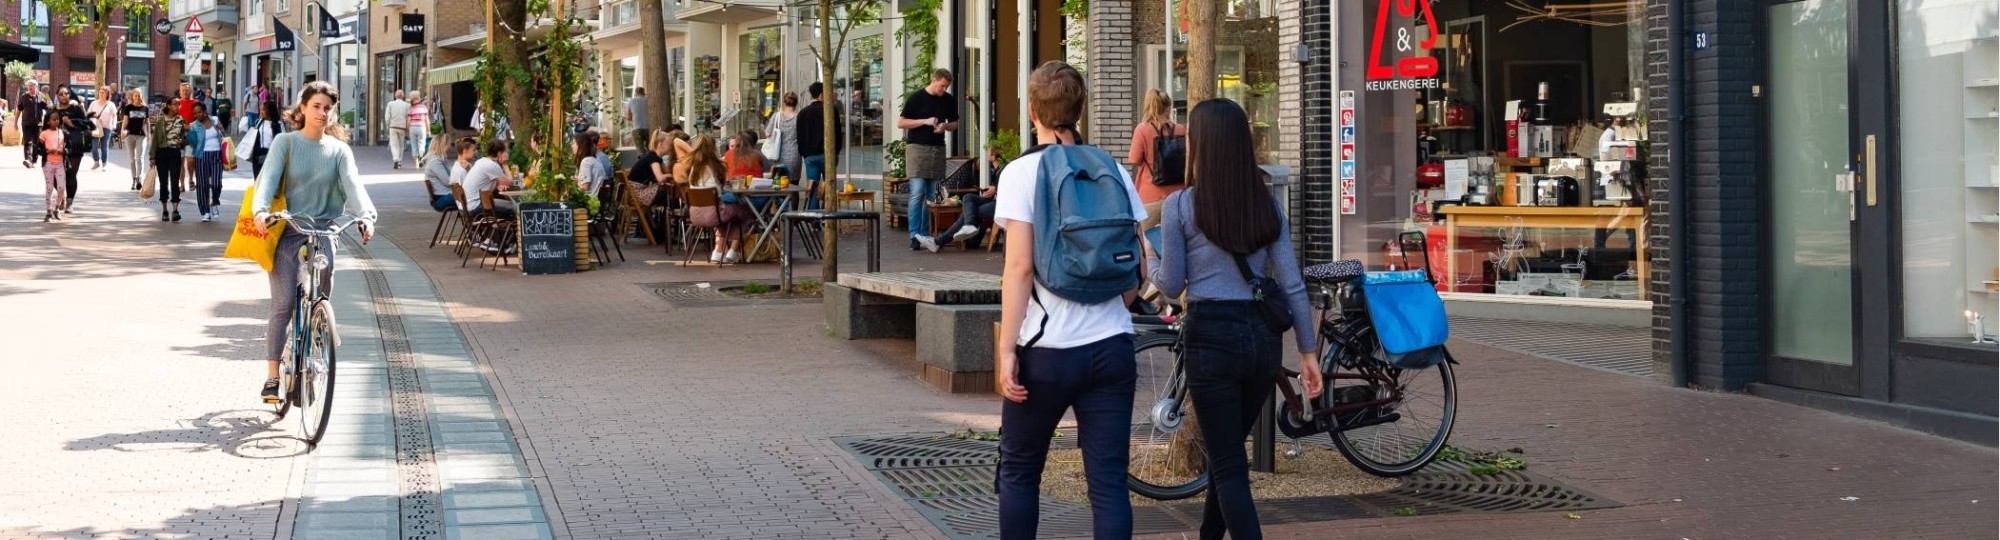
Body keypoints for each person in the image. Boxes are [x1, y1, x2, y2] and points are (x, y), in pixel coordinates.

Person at [1146, 99, 1322, 540]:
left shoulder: (1181, 206)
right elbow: (1293, 284)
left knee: (1226, 464)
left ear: (1201, 146)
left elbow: (1169, 284)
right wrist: (1308, 352)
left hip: (1212, 338)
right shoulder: (1267, 207)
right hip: (1262, 341)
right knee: (1227, 455)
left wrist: (1149, 258)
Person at [992, 61, 1145, 540]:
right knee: (1108, 484)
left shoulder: (1021, 173)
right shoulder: (1113, 170)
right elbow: (1138, 271)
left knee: (1019, 471)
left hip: (1048, 352)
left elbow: (1018, 268)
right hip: (1113, 346)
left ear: (1033, 111)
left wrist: (1006, 351)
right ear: (1081, 110)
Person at [250, 81, 377, 403]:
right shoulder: (286, 143)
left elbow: (353, 184)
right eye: (317, 106)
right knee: (283, 305)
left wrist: (366, 216)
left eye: (328, 108)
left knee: (324, 285)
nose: (322, 113)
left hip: (324, 231)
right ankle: (272, 377)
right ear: (303, 108)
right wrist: (261, 211)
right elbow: (267, 180)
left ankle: (319, 326)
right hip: (288, 230)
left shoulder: (338, 150)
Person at [897, 69, 960, 250]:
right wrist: (924, 121)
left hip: (937, 149)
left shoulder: (948, 100)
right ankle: (914, 235)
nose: (944, 89)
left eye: (947, 86)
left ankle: (926, 235)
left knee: (931, 195)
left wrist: (945, 126)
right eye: (942, 86)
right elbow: (901, 122)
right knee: (917, 192)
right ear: (933, 80)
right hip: (917, 148)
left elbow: (955, 124)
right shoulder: (917, 98)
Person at [684, 134, 752, 264]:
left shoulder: (691, 168)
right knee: (746, 212)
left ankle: (718, 251)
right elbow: (723, 186)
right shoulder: (717, 166)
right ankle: (732, 251)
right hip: (714, 214)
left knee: (726, 217)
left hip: (695, 215)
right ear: (713, 148)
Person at [1129, 89, 1185, 230]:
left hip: (1150, 195)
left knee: (1147, 245)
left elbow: (1134, 159)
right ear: (1168, 107)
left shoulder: (1142, 129)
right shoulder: (1180, 130)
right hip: (1178, 196)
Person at [794, 82, 843, 209]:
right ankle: (829, 213)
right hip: (828, 155)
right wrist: (836, 151)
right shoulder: (831, 110)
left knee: (813, 187)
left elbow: (799, 136)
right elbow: (837, 133)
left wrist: (805, 153)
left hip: (810, 156)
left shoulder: (803, 113)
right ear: (822, 94)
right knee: (830, 185)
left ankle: (813, 216)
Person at [185, 102, 226, 222]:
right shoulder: (193, 125)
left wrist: (221, 129)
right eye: (195, 113)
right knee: (202, 185)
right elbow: (191, 141)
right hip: (201, 156)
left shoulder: (214, 120)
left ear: (205, 111)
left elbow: (223, 134)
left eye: (199, 112)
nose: (198, 115)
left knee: (216, 183)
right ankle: (205, 212)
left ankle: (214, 202)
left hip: (217, 155)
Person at [150, 95, 188, 222]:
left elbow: (185, 137)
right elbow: (155, 139)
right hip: (162, 152)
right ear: (169, 106)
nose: (178, 106)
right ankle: (165, 209)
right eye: (175, 104)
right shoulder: (161, 121)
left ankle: (175, 210)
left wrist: (183, 141)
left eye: (179, 104)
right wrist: (152, 157)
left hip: (175, 152)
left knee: (175, 181)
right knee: (163, 182)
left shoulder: (181, 120)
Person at [52, 85, 86, 215]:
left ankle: (70, 203)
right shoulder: (53, 110)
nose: (64, 96)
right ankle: (62, 196)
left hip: (75, 144)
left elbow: (85, 124)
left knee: (71, 173)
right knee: (55, 176)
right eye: (61, 94)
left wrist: (70, 124)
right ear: (57, 96)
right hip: (56, 146)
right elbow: (46, 127)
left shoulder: (76, 108)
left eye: (66, 93)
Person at [629, 129, 672, 209]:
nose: (671, 146)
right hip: (637, 195)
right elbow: (660, 178)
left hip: (636, 192)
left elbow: (667, 171)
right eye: (669, 144)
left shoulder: (656, 158)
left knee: (669, 190)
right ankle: (667, 218)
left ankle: (663, 218)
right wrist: (671, 175)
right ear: (660, 144)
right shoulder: (653, 158)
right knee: (668, 191)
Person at [764, 92, 800, 180]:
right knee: (793, 186)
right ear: (796, 103)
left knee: (778, 184)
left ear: (784, 102)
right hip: (794, 155)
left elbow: (767, 133)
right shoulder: (799, 117)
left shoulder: (777, 116)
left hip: (777, 155)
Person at [37, 115, 65, 222]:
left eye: (57, 119)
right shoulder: (44, 134)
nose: (56, 121)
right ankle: (48, 211)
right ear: (48, 122)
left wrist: (63, 152)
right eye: (53, 120)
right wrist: (48, 151)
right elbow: (38, 149)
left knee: (61, 187)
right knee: (49, 188)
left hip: (60, 163)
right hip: (48, 163)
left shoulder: (62, 132)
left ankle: (56, 208)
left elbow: (68, 147)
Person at [121, 89, 150, 190]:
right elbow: (125, 121)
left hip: (141, 136)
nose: (137, 97)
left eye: (139, 96)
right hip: (130, 135)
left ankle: (139, 179)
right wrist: (122, 131)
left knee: (140, 158)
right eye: (135, 96)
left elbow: (147, 123)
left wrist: (149, 135)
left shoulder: (145, 108)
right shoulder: (128, 107)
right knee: (132, 160)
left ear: (141, 96)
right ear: (132, 97)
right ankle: (133, 180)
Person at [248, 99, 285, 177]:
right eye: (260, 110)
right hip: (259, 156)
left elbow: (283, 140)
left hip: (273, 155)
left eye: (263, 110)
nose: (261, 112)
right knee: (258, 180)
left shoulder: (279, 124)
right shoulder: (258, 122)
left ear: (270, 111)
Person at [423, 132, 458, 212]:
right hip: (441, 199)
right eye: (448, 144)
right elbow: (448, 182)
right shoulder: (435, 162)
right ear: (443, 145)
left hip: (443, 196)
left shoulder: (436, 159)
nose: (449, 147)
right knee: (471, 196)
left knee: (471, 195)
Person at [573, 130, 612, 198]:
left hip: (589, 201)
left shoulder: (586, 161)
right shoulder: (594, 159)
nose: (572, 146)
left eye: (574, 143)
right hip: (598, 200)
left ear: (580, 144)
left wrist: (572, 188)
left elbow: (584, 188)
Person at [88, 86, 118, 170]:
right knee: (94, 147)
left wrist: (114, 124)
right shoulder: (94, 103)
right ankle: (96, 162)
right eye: (100, 92)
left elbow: (114, 116)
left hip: (106, 127)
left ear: (107, 94)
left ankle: (104, 163)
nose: (101, 94)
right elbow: (88, 114)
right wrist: (93, 117)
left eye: (103, 93)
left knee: (104, 147)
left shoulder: (110, 104)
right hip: (96, 127)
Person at [18, 83, 46, 169]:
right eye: (29, 86)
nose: (30, 87)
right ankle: (28, 159)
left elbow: (47, 108)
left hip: (38, 124)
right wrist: (15, 122)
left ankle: (33, 160)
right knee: (27, 142)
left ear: (36, 87)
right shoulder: (23, 97)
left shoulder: (41, 96)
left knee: (36, 143)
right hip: (26, 123)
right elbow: (19, 110)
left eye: (32, 86)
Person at [447, 137, 478, 212]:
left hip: (466, 206)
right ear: (465, 151)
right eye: (473, 150)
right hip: (470, 207)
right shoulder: (461, 171)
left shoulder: (459, 166)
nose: (476, 152)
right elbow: (469, 193)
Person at [385, 89, 410, 168]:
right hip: (402, 127)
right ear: (403, 96)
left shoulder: (390, 104)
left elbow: (387, 116)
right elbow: (407, 116)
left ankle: (395, 159)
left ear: (395, 96)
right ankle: (399, 161)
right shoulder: (406, 105)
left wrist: (388, 124)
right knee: (401, 145)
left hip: (393, 126)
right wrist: (407, 126)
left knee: (394, 144)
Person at [408, 90, 432, 159]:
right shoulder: (424, 108)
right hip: (422, 127)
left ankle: (416, 159)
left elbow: (408, 120)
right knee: (422, 143)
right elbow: (427, 120)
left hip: (412, 127)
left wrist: (408, 128)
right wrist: (429, 130)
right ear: (419, 98)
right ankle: (421, 155)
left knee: (414, 144)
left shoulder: (411, 108)